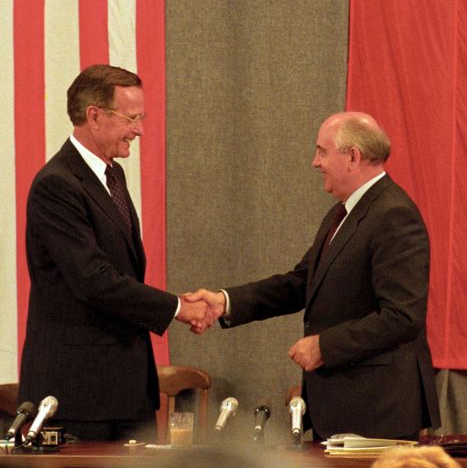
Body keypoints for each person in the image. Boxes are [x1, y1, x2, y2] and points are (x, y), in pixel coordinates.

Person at [186, 112, 439, 440]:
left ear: (352, 156)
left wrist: (325, 346)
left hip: (378, 412)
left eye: (322, 151)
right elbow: (300, 282)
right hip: (345, 408)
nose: (314, 162)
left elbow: (403, 317)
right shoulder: (344, 212)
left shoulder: (393, 214)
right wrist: (225, 302)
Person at [17, 64, 208, 441]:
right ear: (95, 116)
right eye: (132, 118)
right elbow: (94, 280)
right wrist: (177, 308)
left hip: (125, 391)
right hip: (79, 395)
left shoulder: (111, 175)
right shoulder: (57, 184)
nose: (139, 129)